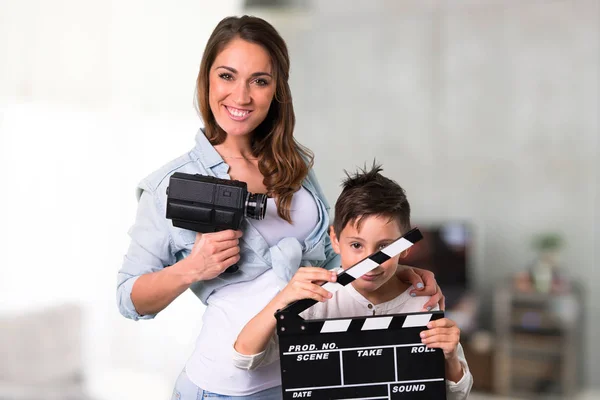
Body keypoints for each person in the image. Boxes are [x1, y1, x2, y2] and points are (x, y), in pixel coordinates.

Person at [116, 15, 444, 400]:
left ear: (276, 90)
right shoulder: (168, 186)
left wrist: (392, 268)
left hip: (306, 375)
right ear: (206, 78)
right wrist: (193, 267)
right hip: (226, 387)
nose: (241, 96)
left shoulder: (295, 165)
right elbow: (129, 300)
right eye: (227, 76)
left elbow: (331, 264)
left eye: (260, 80)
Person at [234, 163, 473, 400]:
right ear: (336, 241)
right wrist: (282, 299)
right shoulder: (316, 300)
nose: (371, 261)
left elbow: (457, 393)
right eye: (357, 245)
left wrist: (450, 356)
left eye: (384, 248)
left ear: (405, 247)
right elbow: (245, 357)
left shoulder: (423, 301)